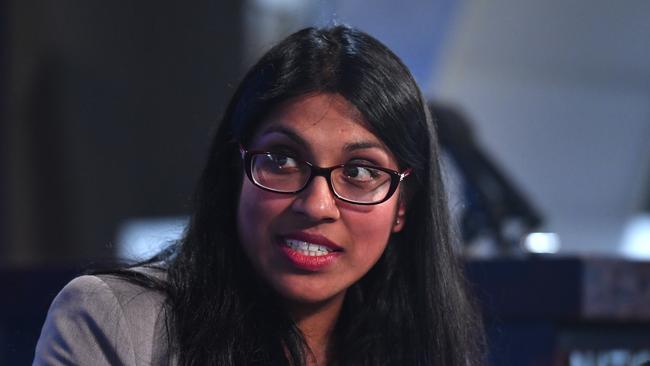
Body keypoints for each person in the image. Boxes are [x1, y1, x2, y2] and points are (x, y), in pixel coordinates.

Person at [34, 25, 485, 365]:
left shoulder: (431, 347)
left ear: (403, 205)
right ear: (237, 171)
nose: (317, 205)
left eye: (360, 171)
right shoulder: (113, 320)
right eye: (283, 161)